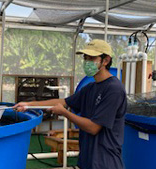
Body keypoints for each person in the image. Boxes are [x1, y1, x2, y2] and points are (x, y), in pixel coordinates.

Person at [13, 39, 127, 169]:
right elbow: (64, 102)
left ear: (105, 60)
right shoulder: (90, 88)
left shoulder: (114, 89)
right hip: (87, 160)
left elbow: (94, 128)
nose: (87, 62)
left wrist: (65, 113)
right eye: (86, 58)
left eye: (92, 58)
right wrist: (29, 105)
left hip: (105, 162)